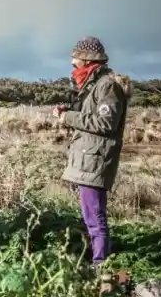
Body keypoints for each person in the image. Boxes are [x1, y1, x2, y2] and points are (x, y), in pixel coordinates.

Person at [53, 36, 130, 274]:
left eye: (75, 60)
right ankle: (100, 261)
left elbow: (106, 122)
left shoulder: (106, 85)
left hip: (95, 160)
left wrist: (68, 118)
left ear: (87, 61)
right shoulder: (96, 85)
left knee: (95, 218)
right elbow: (95, 117)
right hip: (90, 159)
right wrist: (73, 112)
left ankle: (100, 266)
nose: (72, 65)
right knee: (91, 215)